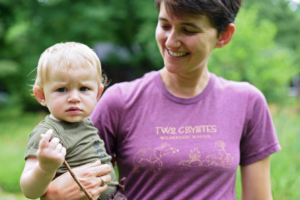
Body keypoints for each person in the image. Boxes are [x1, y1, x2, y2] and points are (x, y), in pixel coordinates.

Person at [42, 0, 281, 199]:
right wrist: (51, 191)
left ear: (224, 35)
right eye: (165, 25)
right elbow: (56, 186)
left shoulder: (247, 102)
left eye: (188, 30)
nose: (170, 41)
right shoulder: (120, 101)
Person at [20, 42, 127, 200]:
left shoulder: (86, 122)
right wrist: (44, 168)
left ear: (97, 94)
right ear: (41, 95)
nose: (75, 98)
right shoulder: (48, 133)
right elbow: (29, 191)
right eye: (62, 89)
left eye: (84, 88)